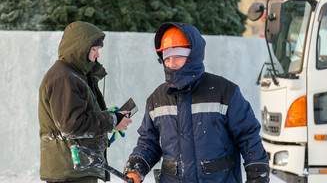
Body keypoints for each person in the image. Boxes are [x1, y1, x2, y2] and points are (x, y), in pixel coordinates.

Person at [123, 22, 270, 183]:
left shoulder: (224, 92)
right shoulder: (157, 98)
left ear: (194, 55)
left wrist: (257, 175)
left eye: (178, 56)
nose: (171, 64)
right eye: (167, 57)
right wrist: (135, 169)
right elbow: (148, 142)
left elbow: (248, 136)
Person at [38, 21, 132, 183]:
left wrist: (110, 116)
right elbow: (72, 126)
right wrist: (112, 120)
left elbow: (77, 115)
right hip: (70, 170)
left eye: (98, 49)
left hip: (76, 167)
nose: (97, 55)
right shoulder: (65, 78)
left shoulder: (74, 76)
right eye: (94, 49)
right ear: (79, 48)